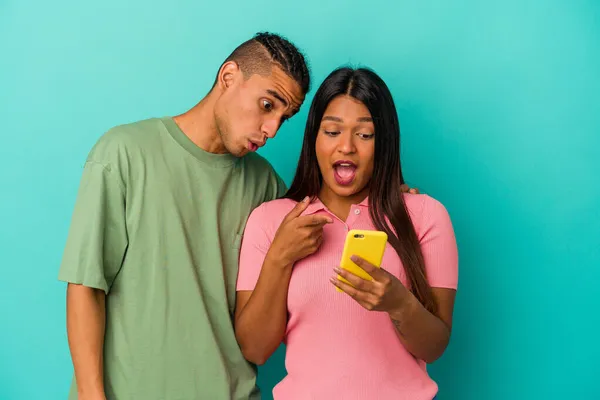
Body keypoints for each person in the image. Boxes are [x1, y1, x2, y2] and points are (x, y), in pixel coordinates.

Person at [57, 32, 311, 400]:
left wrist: (386, 198)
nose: (271, 129)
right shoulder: (124, 153)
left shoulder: (267, 186)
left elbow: (329, 231)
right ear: (228, 77)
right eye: (267, 105)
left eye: (283, 118)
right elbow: (85, 286)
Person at [234, 67, 458, 399]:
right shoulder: (270, 220)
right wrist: (279, 257)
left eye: (365, 135)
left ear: (383, 144)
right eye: (332, 131)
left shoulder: (426, 216)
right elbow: (255, 350)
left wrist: (400, 304)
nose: (347, 147)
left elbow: (435, 346)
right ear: (314, 139)